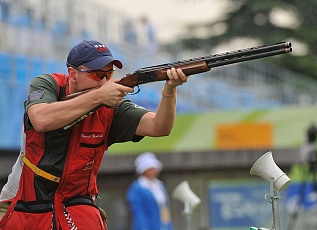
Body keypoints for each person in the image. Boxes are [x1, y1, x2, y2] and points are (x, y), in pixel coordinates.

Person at [0, 40, 188, 229]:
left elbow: (159, 127)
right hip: (24, 203)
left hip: (77, 203)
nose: (105, 82)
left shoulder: (112, 107)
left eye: (109, 74)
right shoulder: (48, 84)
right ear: (73, 74)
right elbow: (41, 119)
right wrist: (98, 96)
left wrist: (169, 91)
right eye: (98, 74)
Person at [126, 152, 172, 230]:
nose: (154, 171)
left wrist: (168, 226)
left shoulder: (160, 185)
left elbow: (165, 208)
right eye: (151, 168)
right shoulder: (137, 188)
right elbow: (139, 214)